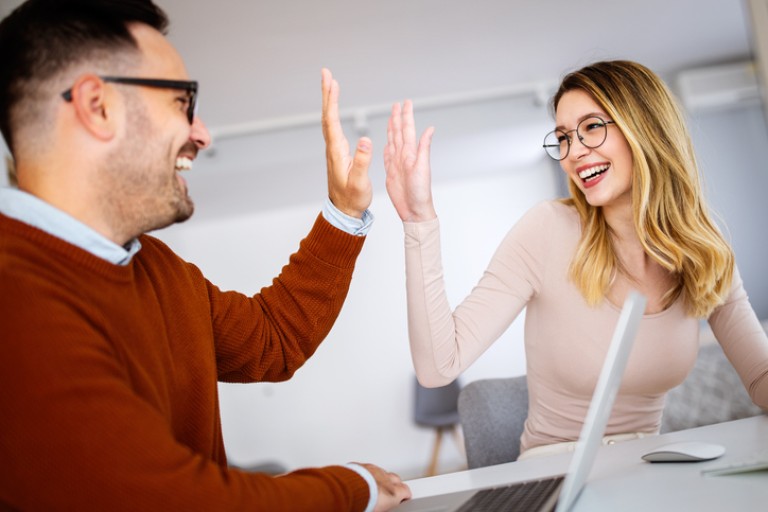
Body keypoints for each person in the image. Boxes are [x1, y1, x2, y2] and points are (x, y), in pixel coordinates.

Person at [0, 0, 411, 510]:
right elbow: (167, 499)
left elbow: (272, 338)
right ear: (97, 106)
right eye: (181, 103)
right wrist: (356, 487)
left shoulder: (154, 266)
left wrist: (344, 212)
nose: (203, 135)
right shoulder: (14, 298)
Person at [384, 59, 768, 460]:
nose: (574, 152)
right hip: (555, 472)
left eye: (592, 127)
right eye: (564, 137)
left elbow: (759, 377)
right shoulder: (548, 229)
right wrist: (419, 222)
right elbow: (437, 367)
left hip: (651, 468)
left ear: (645, 127)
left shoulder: (702, 251)